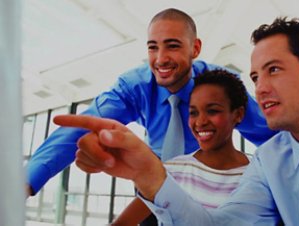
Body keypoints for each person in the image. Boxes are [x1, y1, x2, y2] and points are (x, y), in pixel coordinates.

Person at [54, 17, 299, 225]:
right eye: (255, 77)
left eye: (273, 70)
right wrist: (150, 175)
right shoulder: (269, 162)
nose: (261, 88)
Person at [25, 8, 276, 198]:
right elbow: (74, 133)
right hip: (152, 187)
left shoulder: (220, 86)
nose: (161, 59)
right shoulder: (134, 86)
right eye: (153, 47)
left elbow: (269, 135)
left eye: (173, 46)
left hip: (211, 188)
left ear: (195, 48)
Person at [111, 69, 250, 225]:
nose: (200, 122)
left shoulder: (258, 174)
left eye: (212, 111)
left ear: (238, 114)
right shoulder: (171, 170)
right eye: (193, 112)